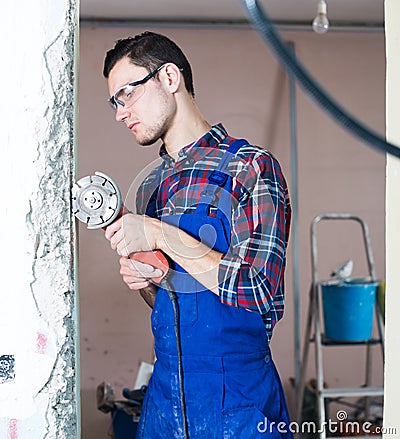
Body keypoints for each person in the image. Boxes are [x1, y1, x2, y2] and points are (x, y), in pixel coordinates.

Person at [103, 31, 292, 439]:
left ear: (169, 77)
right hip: (165, 395)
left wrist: (157, 232)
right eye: (114, 102)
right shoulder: (154, 185)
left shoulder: (252, 168)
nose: (120, 113)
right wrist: (145, 280)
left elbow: (256, 288)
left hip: (237, 397)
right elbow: (169, 298)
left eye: (127, 95)